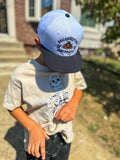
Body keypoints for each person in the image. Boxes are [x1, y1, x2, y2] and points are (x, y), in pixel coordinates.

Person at [3, 9, 87, 160]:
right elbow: (12, 105)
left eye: (67, 61)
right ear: (38, 44)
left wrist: (72, 104)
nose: (63, 68)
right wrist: (32, 127)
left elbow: (79, 86)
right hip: (39, 140)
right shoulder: (22, 75)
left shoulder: (71, 68)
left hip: (64, 136)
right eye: (57, 60)